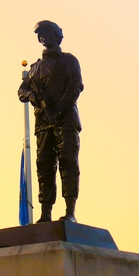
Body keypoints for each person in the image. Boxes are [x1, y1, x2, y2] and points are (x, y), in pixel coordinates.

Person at [18, 20, 83, 222]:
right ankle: (45, 212)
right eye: (41, 34)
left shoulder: (69, 60)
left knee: (68, 164)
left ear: (57, 36)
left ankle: (70, 211)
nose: (44, 37)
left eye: (48, 33)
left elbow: (75, 87)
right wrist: (33, 97)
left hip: (66, 122)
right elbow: (21, 91)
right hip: (43, 125)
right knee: (44, 166)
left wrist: (58, 111)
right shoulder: (35, 68)